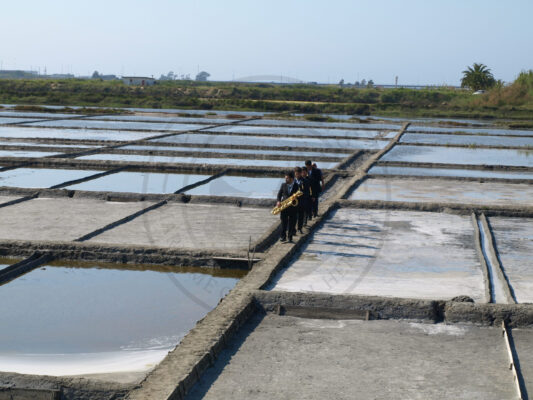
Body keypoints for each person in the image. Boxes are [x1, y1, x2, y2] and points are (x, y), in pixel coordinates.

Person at [276, 170, 299, 242]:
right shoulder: (283, 185)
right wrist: (278, 201)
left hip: (293, 208)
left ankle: (290, 237)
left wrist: (295, 199)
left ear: (292, 178)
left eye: (287, 178)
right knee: (283, 223)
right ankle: (283, 237)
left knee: (292, 223)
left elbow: (299, 197)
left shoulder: (296, 186)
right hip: (284, 207)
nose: (286, 179)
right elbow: (279, 194)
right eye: (285, 178)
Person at [295, 166, 311, 231]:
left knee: (301, 216)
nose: (297, 175)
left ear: (300, 173)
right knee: (294, 217)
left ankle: (299, 228)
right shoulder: (293, 181)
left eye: (298, 174)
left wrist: (301, 194)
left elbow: (307, 192)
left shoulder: (305, 181)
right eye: (296, 174)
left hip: (301, 201)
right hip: (294, 201)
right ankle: (293, 230)